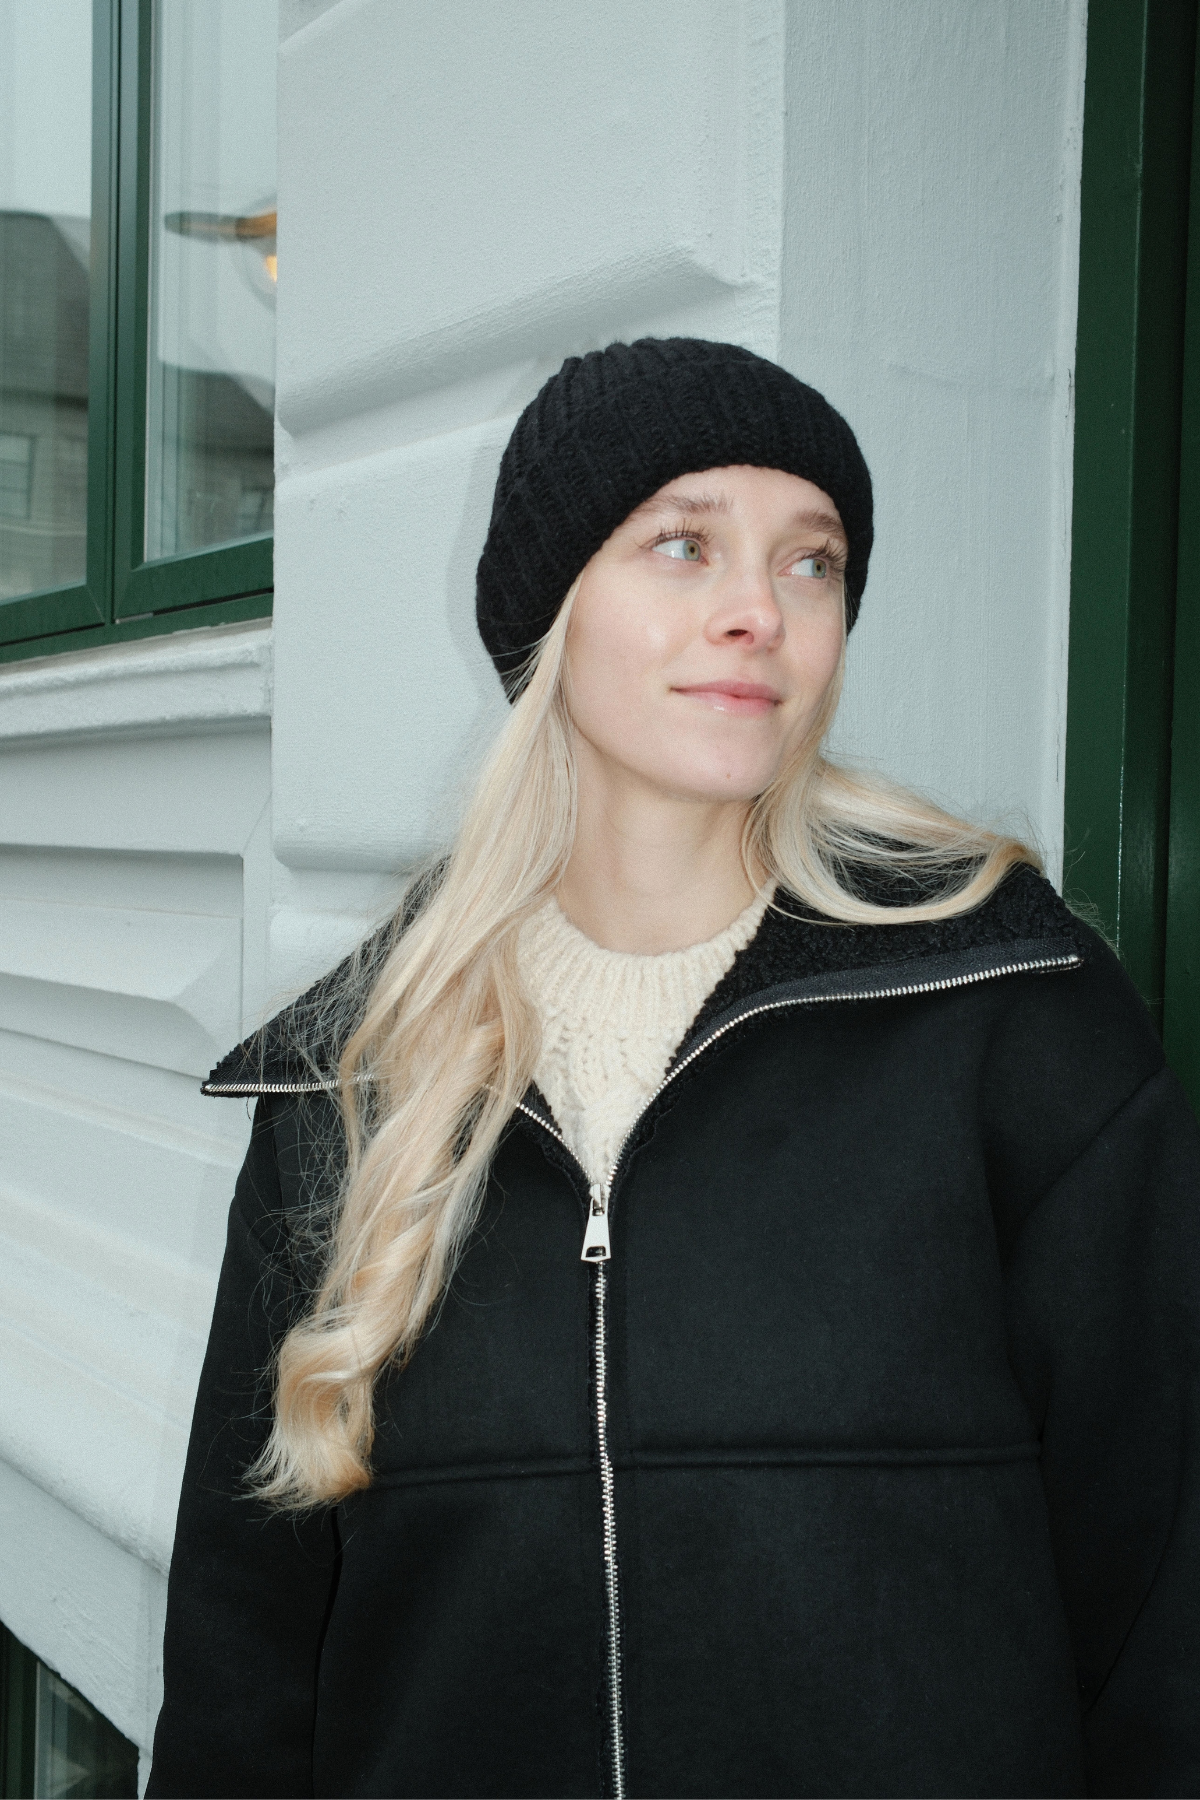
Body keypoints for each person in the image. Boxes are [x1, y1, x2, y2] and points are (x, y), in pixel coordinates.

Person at [146, 338, 1199, 1800]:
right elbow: (245, 1659)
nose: (760, 611)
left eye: (812, 562)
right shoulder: (355, 1083)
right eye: (684, 544)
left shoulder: (1012, 1017)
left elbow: (1163, 1606)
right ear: (552, 607)